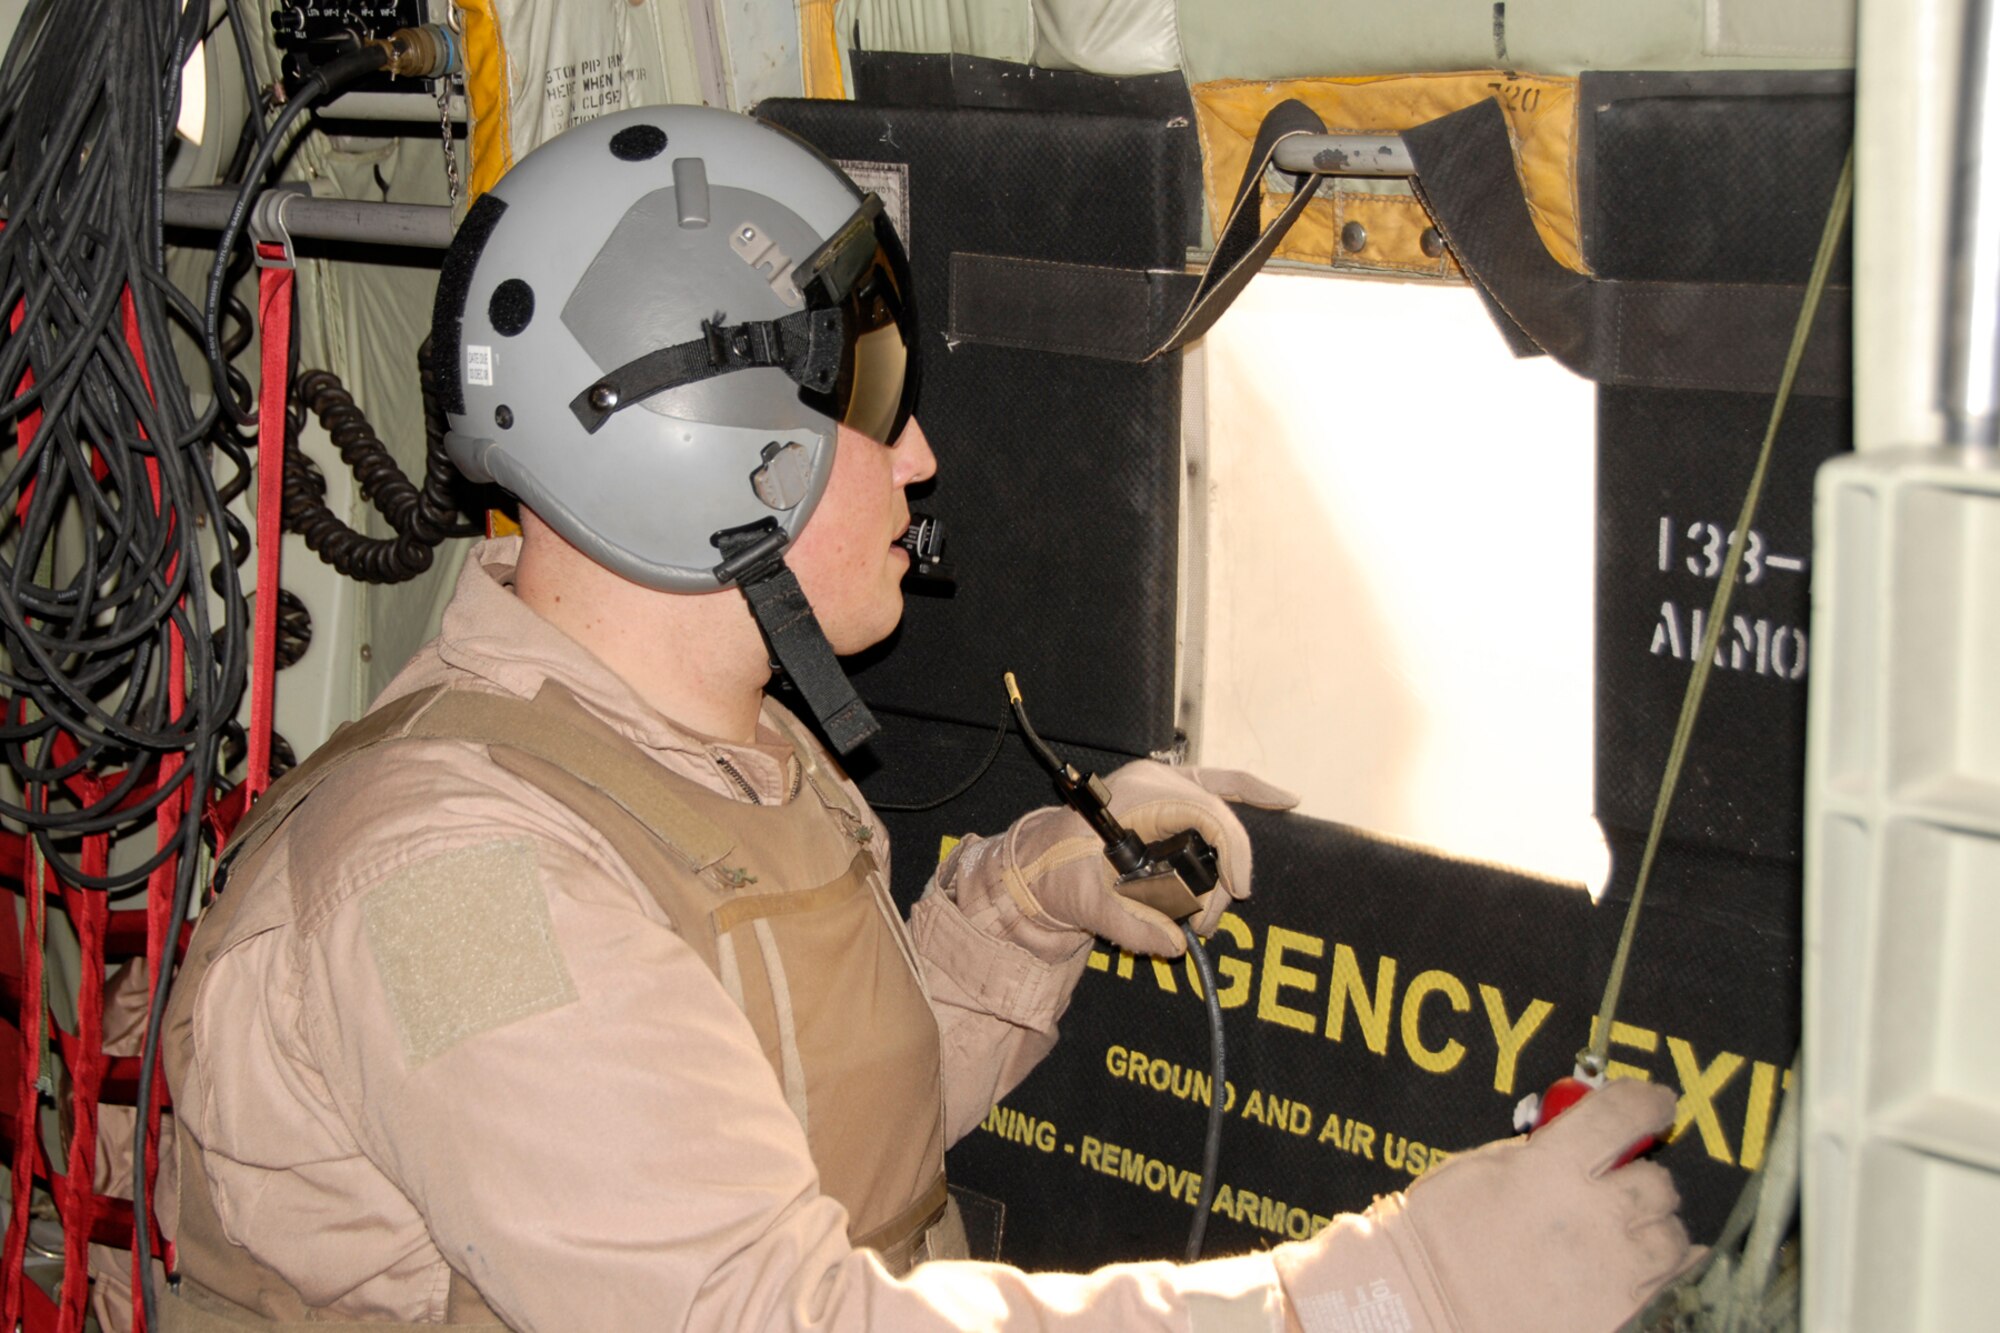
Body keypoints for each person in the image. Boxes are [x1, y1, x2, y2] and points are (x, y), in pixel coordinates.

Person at [160, 105, 1694, 1332]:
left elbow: (795, 1128)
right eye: (873, 394)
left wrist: (1025, 910)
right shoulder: (448, 895)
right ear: (706, 455)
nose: (921, 458)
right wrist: (1394, 1296)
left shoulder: (710, 747)